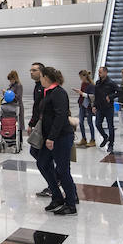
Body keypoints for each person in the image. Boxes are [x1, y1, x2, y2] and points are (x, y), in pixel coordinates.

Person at [36, 66, 78, 215]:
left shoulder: (59, 93)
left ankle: (71, 204)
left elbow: (60, 117)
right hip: (50, 138)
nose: (39, 79)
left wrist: (51, 138)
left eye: (40, 76)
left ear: (46, 77)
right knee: (42, 163)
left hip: (60, 137)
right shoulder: (49, 92)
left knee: (62, 170)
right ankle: (57, 196)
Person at [27, 61, 56, 198]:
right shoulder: (38, 87)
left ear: (42, 72)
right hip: (39, 125)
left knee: (40, 157)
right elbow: (36, 107)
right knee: (38, 154)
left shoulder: (46, 88)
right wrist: (32, 123)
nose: (31, 72)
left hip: (45, 128)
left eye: (34, 70)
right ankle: (54, 181)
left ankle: (54, 182)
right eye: (31, 70)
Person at [93, 66, 118, 152]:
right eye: (98, 72)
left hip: (108, 108)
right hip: (100, 108)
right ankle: (105, 137)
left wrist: (110, 97)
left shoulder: (111, 83)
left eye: (100, 72)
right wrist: (94, 106)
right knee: (97, 124)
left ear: (105, 72)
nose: (99, 74)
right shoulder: (97, 83)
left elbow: (119, 92)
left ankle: (111, 144)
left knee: (110, 126)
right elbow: (96, 96)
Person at [74, 70, 96, 147]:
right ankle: (84, 139)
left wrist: (81, 93)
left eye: (81, 77)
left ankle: (93, 140)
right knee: (81, 122)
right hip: (82, 105)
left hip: (88, 106)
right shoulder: (83, 84)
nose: (80, 79)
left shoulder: (91, 85)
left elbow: (92, 96)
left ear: (84, 76)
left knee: (90, 123)